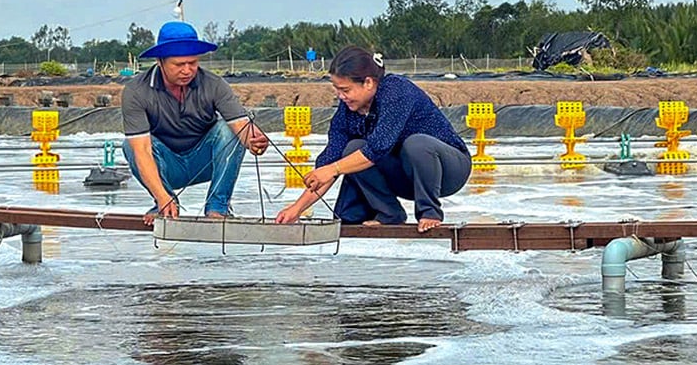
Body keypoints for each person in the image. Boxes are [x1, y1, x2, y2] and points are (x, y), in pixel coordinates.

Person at [274, 46, 471, 233]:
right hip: (405, 176)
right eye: (337, 89)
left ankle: (429, 212)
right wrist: (296, 209)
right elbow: (329, 163)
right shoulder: (347, 112)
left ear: (368, 83)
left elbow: (378, 147)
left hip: (448, 170)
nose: (341, 96)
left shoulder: (396, 91)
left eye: (346, 90)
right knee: (352, 149)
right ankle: (389, 212)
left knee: (416, 143)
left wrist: (332, 169)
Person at [122, 21, 269, 224]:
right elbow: (142, 151)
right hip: (166, 164)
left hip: (205, 160)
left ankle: (218, 207)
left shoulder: (214, 84)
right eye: (179, 65)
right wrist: (162, 196)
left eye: (193, 63)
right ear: (160, 61)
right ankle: (164, 202)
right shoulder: (136, 91)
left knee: (230, 131)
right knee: (130, 145)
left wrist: (255, 141)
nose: (187, 70)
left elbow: (240, 124)